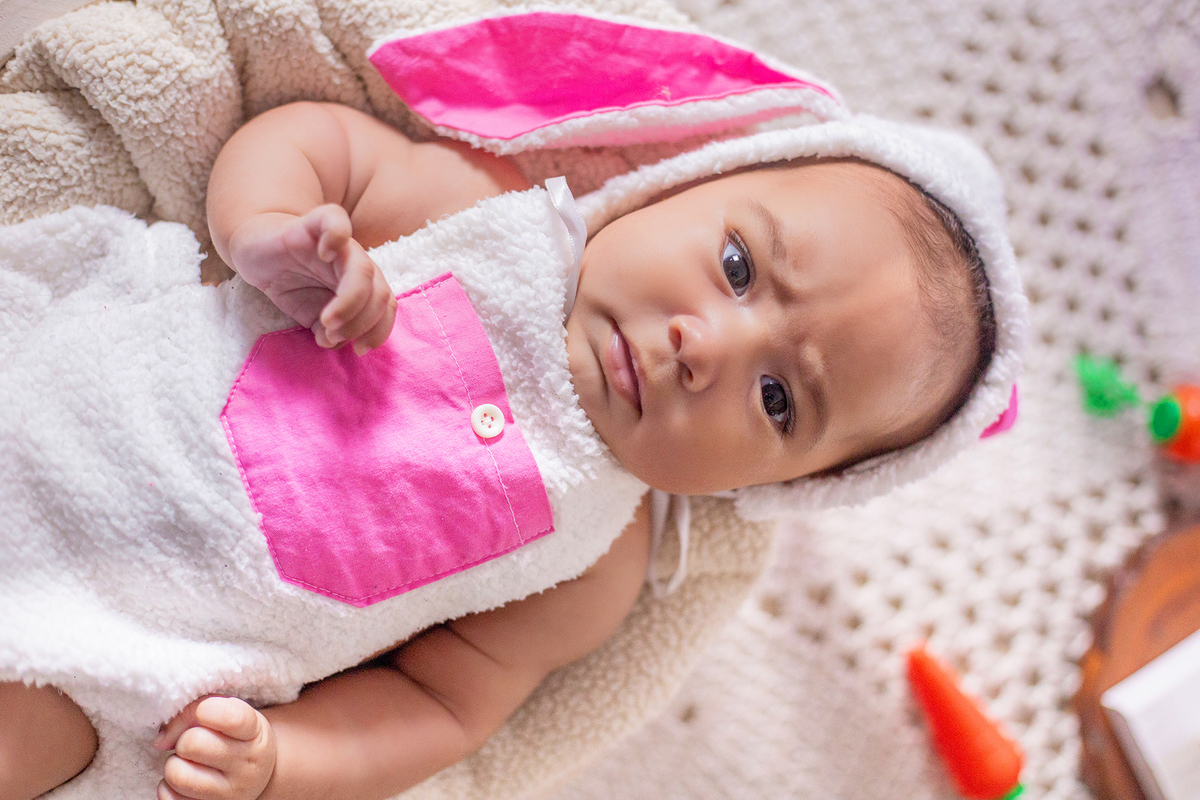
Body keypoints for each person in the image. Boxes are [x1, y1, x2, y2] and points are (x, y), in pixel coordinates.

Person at [0, 95, 1013, 800]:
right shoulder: (484, 216)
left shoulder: (594, 562)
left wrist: (280, 759)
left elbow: (437, 703)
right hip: (71, 406)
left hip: (125, 648)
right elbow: (317, 145)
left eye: (781, 398)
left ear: (776, 486)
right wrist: (268, 226)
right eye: (739, 265)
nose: (703, 345)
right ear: (684, 184)